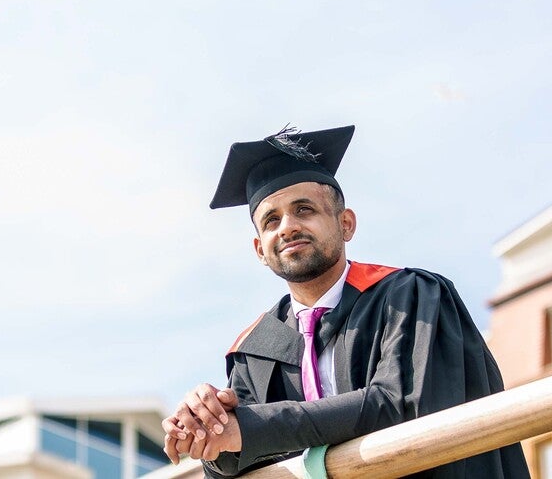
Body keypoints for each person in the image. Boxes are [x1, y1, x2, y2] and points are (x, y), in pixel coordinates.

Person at [163, 125, 528, 477]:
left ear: (346, 224)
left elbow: (404, 403)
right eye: (271, 220)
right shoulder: (255, 348)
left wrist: (254, 428)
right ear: (260, 249)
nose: (287, 226)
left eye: (304, 210)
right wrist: (206, 429)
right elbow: (241, 457)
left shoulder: (410, 296)